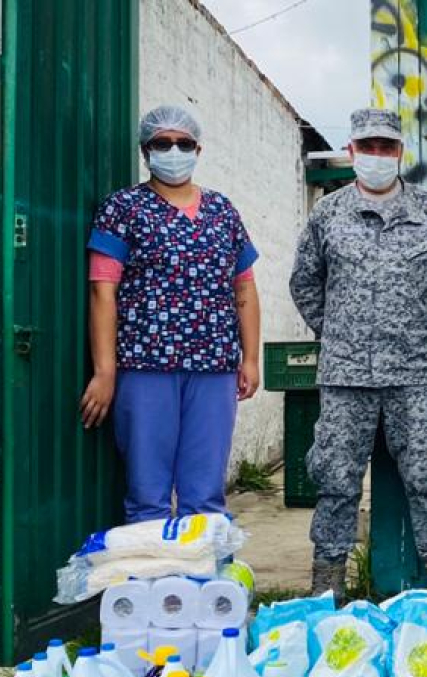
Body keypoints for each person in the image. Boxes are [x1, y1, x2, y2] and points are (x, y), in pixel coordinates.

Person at [290, 109, 427, 621]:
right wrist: (341, 332)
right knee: (337, 478)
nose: (376, 156)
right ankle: (326, 592)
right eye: (367, 147)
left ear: (399, 153)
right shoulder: (329, 214)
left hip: (413, 372)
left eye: (386, 147)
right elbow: (305, 282)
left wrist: (412, 331)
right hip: (345, 375)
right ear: (351, 151)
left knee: (425, 474)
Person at [81, 105, 262, 523]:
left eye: (183, 142)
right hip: (146, 366)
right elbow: (101, 291)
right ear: (146, 151)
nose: (174, 150)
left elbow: (245, 288)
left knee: (206, 494)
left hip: (214, 365)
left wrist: (250, 358)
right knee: (148, 494)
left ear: (198, 148)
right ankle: (153, 584)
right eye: (162, 143)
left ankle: (208, 582)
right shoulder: (123, 208)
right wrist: (105, 371)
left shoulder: (222, 211)